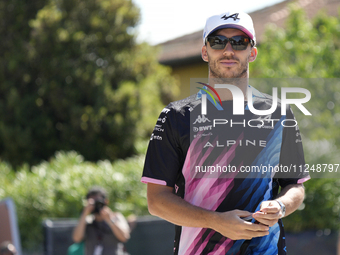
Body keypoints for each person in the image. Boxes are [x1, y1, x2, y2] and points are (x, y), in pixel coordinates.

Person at [141, 10, 310, 255]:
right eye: (218, 42)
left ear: (252, 52)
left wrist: (280, 206)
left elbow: (295, 186)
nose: (228, 50)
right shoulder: (176, 116)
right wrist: (215, 221)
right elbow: (156, 201)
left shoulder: (279, 114)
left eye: (239, 42)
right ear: (204, 51)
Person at [72, 186, 130, 255]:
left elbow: (124, 237)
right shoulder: (87, 221)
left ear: (106, 201)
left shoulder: (116, 217)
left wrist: (110, 220)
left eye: (98, 202)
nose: (96, 205)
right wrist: (84, 214)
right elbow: (76, 238)